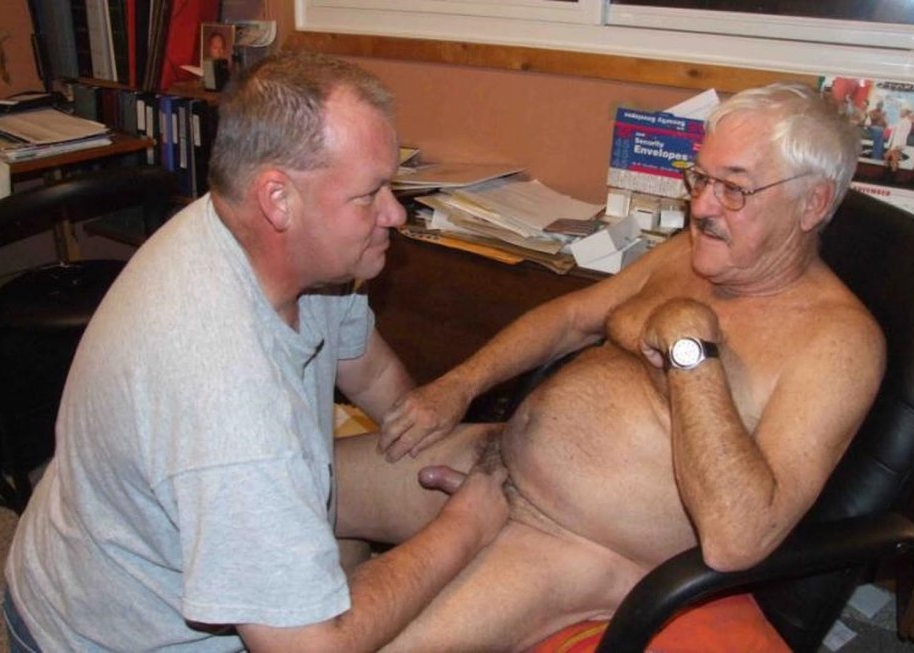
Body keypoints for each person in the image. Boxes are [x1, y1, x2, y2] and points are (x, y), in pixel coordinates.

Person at [334, 83, 886, 651]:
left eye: (734, 188)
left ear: (813, 204)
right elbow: (572, 318)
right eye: (700, 178)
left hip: (569, 543)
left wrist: (689, 345)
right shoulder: (692, 252)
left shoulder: (838, 343)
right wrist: (459, 384)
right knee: (302, 492)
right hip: (495, 460)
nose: (701, 207)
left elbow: (738, 540)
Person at [2, 51, 508, 652]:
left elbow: (369, 370)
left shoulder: (276, 244)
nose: (394, 214)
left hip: (142, 541)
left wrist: (436, 437)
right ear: (278, 199)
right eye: (369, 194)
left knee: (497, 467)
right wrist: (464, 528)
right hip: (108, 639)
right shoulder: (225, 389)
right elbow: (308, 648)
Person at [884, 106, 914, 175]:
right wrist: (886, 120)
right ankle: (891, 173)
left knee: (893, 159)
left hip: (898, 144)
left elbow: (904, 134)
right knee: (888, 157)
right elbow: (892, 127)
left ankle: (892, 174)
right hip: (896, 143)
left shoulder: (906, 121)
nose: (900, 113)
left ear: (905, 113)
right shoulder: (902, 121)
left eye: (901, 111)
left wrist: (898, 145)